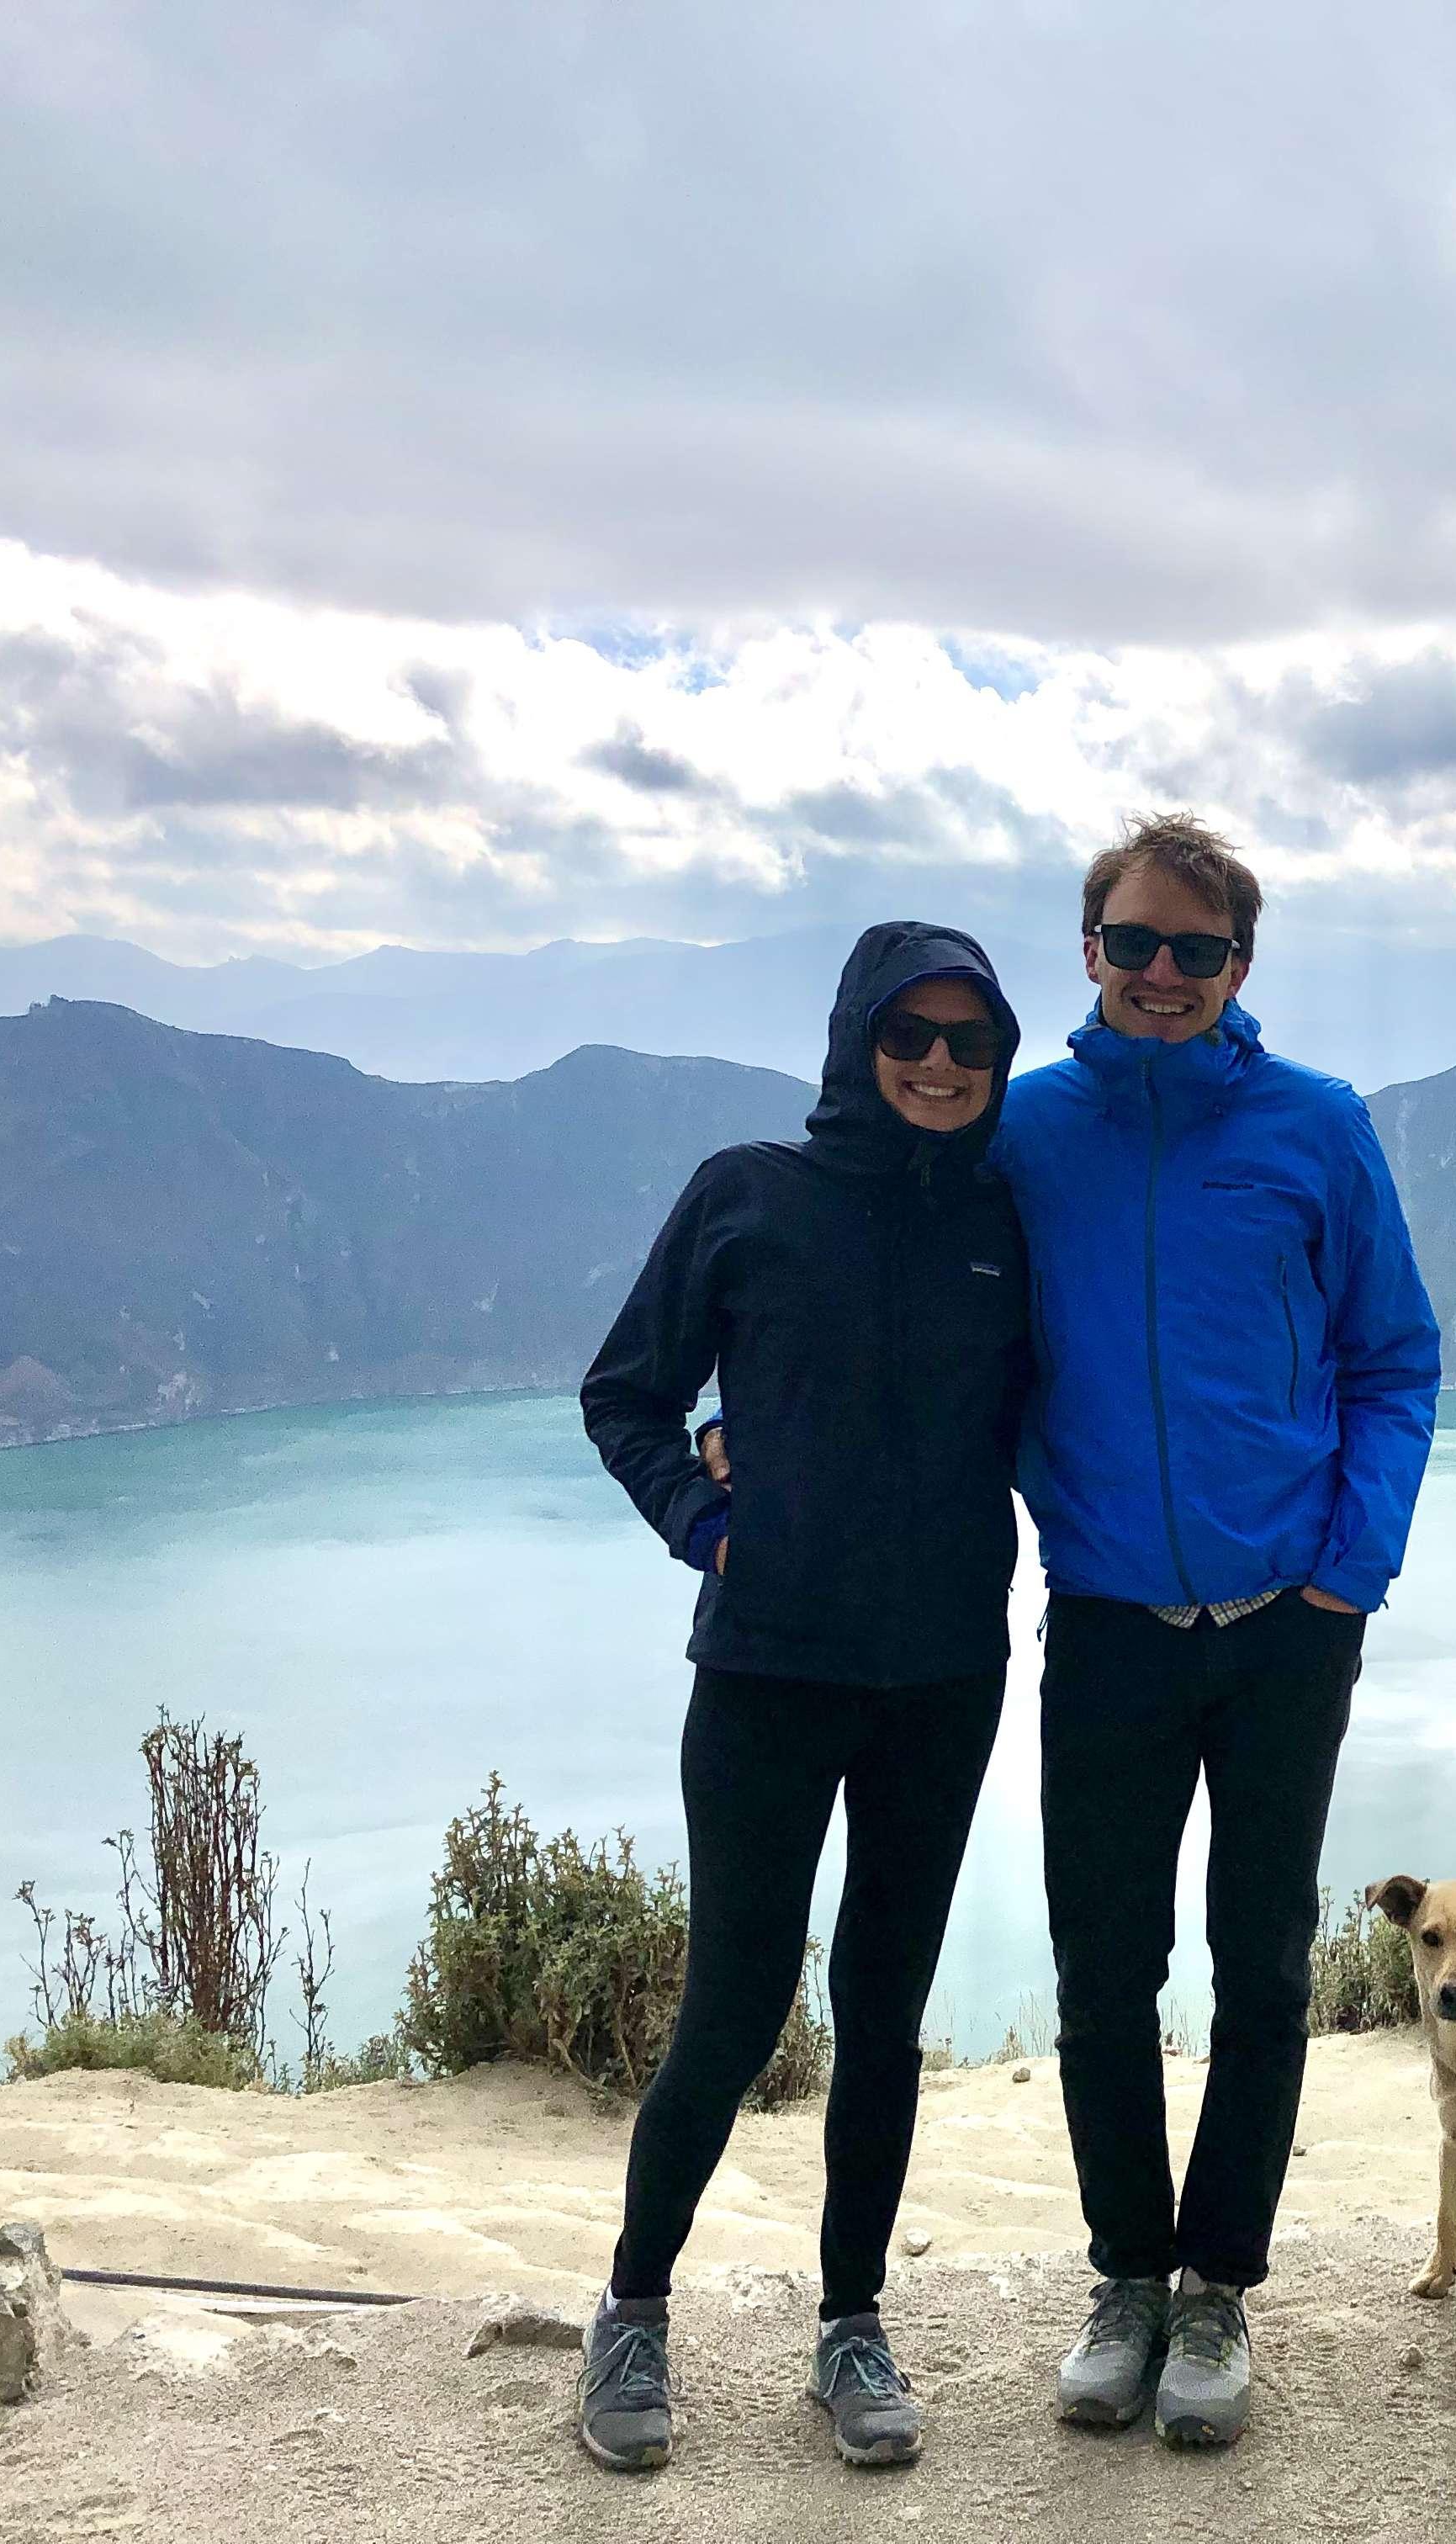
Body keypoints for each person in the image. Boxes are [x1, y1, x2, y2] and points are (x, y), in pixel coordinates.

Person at [991, 813, 1440, 2448]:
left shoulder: (1314, 1128)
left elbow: (1393, 1357)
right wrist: (750, 1422)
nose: (1162, 972)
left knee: (1259, 1971)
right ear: (1089, 952)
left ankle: (1216, 2292)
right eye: (1132, 941)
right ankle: (1126, 2274)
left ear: (1240, 964)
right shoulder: (1026, 1135)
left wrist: (1347, 1571)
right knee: (1104, 1972)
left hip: (1282, 1630)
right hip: (1108, 1616)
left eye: (1195, 948)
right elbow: (917, 1305)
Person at [575, 921, 1027, 2474]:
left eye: (971, 1042)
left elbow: (1066, 1403)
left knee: (882, 2010)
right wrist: (705, 1522)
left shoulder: (1007, 1217)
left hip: (946, 1675)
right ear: (855, 1039)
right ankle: (634, 2306)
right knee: (735, 2002)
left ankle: (851, 2323)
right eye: (910, 1034)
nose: (939, 1065)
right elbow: (625, 1393)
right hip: (767, 1667)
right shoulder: (748, 1193)